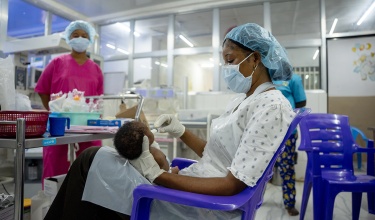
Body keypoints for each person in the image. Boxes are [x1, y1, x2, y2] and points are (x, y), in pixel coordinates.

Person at [45, 23, 296, 220]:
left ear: (255, 58)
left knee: (91, 162)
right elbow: (219, 154)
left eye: (230, 60)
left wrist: (159, 176)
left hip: (204, 208)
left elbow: (232, 185)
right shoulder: (245, 99)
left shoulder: (272, 107)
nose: (226, 68)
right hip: (192, 186)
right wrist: (181, 131)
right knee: (95, 167)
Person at [45, 121, 172, 220]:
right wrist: (174, 171)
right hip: (153, 193)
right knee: (89, 163)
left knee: (88, 161)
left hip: (157, 203)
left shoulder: (152, 155)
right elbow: (165, 172)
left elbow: (162, 176)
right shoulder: (154, 155)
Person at [34, 20, 104, 182]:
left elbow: (98, 100)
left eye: (84, 36)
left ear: (90, 40)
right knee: (55, 175)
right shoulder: (57, 63)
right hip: (60, 128)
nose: (80, 38)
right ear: (69, 38)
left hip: (88, 129)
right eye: (76, 35)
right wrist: (56, 110)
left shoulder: (96, 69)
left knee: (88, 172)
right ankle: (52, 205)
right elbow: (42, 90)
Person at [273, 73, 306, 216]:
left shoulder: (293, 78)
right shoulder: (267, 76)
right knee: (260, 168)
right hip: (266, 130)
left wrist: (284, 113)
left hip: (287, 132)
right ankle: (255, 199)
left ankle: (289, 203)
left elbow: (301, 102)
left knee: (287, 168)